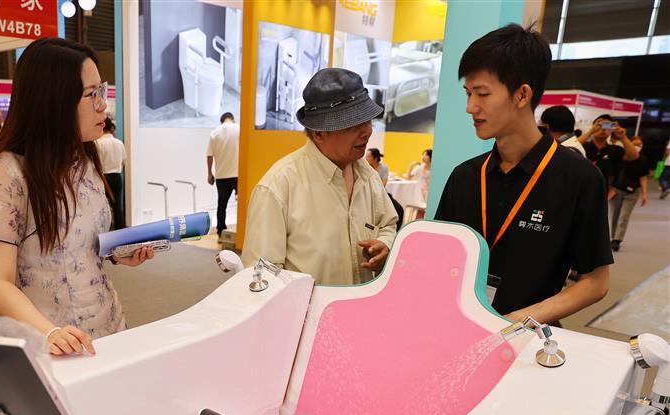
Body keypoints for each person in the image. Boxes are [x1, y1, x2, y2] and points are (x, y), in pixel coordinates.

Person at [0, 38, 154, 357]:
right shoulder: (7, 174)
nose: (102, 105)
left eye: (102, 90)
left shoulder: (85, 157)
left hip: (107, 328)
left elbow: (79, 243)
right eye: (90, 95)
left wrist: (115, 253)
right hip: (52, 342)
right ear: (52, 101)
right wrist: (50, 332)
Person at [434, 23, 611, 324]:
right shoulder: (464, 176)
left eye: (482, 94)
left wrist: (520, 320)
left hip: (527, 340)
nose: (470, 107)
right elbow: (440, 257)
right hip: (458, 329)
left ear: (522, 95)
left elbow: (596, 281)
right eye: (468, 93)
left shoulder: (578, 178)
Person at [242, 68, 398, 285]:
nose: (367, 131)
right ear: (319, 133)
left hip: (360, 312)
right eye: (354, 124)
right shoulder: (278, 187)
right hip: (305, 317)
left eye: (368, 120)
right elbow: (261, 274)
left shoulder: (367, 176)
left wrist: (385, 245)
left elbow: (387, 224)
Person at [608, 135, 649, 251]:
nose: (637, 147)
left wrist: (644, 194)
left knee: (624, 216)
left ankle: (617, 240)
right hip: (616, 190)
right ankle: (612, 237)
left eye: (639, 145)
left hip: (632, 192)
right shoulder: (621, 157)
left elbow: (643, 177)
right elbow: (611, 174)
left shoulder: (643, 160)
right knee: (614, 215)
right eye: (634, 144)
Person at [578, 114, 639, 190]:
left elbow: (633, 156)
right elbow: (568, 148)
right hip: (579, 189)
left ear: (611, 130)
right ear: (593, 127)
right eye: (600, 125)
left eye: (607, 126)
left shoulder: (614, 150)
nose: (603, 129)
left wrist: (623, 137)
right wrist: (590, 132)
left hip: (602, 193)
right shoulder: (583, 146)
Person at [206, 112, 240, 236]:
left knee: (222, 205)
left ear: (221, 121)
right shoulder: (239, 128)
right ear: (233, 119)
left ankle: (220, 232)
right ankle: (243, 231)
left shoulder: (215, 132)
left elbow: (209, 155)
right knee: (242, 204)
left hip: (221, 176)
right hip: (238, 175)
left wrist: (209, 173)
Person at [95, 116, 126, 229]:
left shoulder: (98, 143)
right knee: (118, 206)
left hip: (103, 178)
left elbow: (96, 165)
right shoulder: (119, 143)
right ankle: (120, 232)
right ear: (111, 128)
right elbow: (123, 162)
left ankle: (107, 233)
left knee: (103, 206)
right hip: (117, 177)